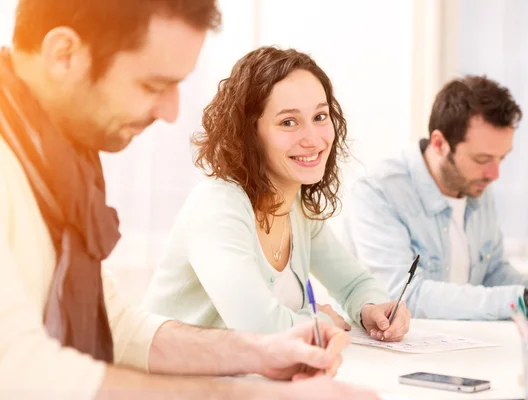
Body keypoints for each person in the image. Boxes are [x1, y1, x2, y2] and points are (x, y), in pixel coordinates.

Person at [0, 1, 381, 398]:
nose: (171, 111)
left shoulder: (53, 156)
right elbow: (17, 368)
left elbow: (114, 324)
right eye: (152, 85)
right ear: (64, 55)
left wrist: (260, 351)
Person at [142, 47, 411, 342]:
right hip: (172, 383)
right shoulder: (218, 207)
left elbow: (354, 283)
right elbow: (257, 326)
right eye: (288, 122)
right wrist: (320, 320)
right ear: (249, 134)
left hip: (242, 381)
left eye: (320, 116)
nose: (313, 139)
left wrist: (371, 308)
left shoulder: (296, 208)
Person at [343, 75, 528, 321]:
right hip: (397, 353)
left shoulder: (476, 184)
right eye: (482, 159)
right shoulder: (377, 193)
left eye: (501, 158)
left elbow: (491, 272)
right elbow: (403, 297)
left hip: (465, 346)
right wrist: (526, 302)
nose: (494, 174)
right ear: (439, 143)